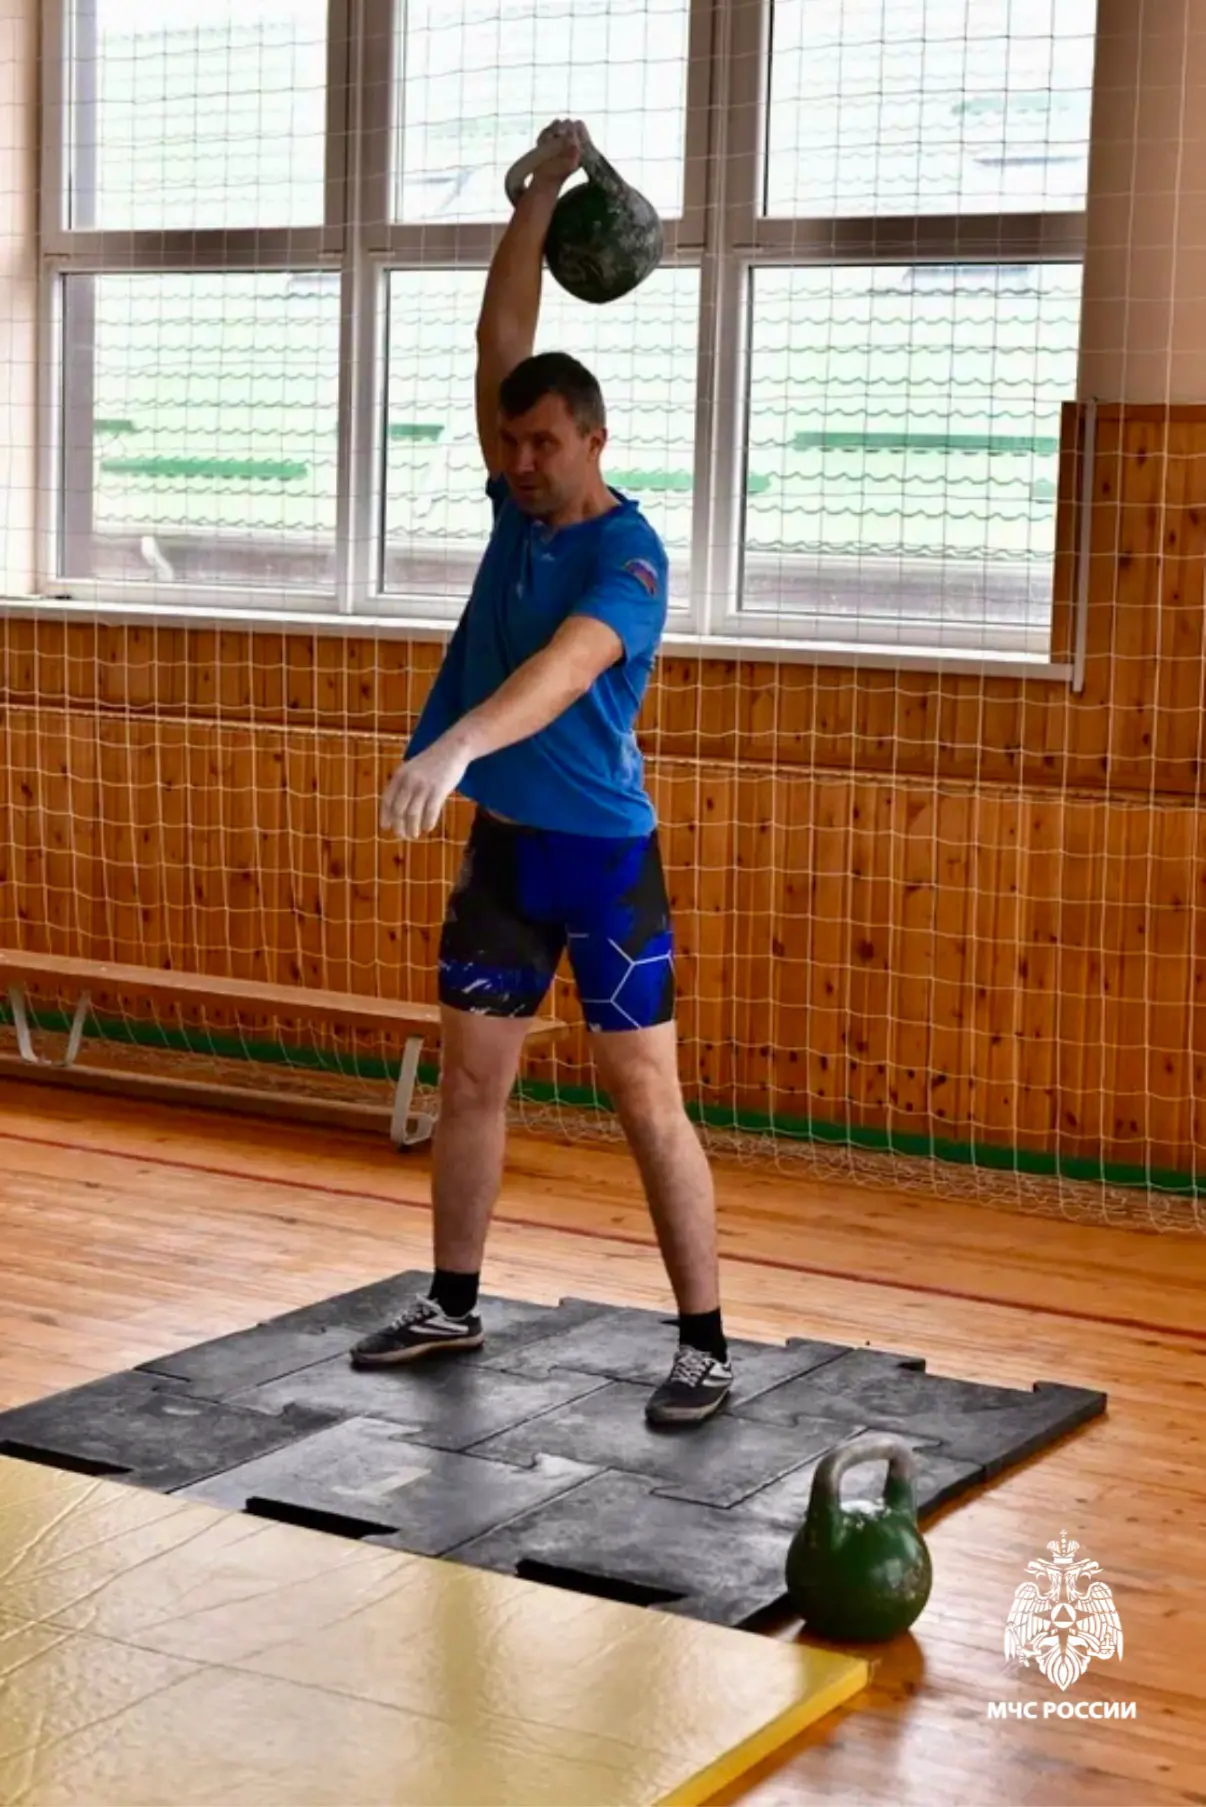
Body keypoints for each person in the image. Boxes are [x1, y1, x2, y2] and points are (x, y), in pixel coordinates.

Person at [350, 120, 731, 1427]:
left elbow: (567, 670)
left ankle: (705, 1343)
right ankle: (452, 1303)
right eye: (510, 443)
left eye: (544, 445)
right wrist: (543, 193)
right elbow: (497, 336)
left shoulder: (630, 559)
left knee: (644, 1098)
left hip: (602, 862)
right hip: (506, 855)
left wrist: (456, 741)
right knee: (471, 1081)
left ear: (594, 440)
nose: (520, 462)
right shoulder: (515, 508)